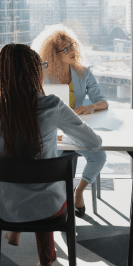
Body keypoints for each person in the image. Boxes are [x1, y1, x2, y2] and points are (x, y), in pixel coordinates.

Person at [0, 43, 102, 266]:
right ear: (34, 72)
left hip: (3, 207)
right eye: (41, 66)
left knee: (24, 183)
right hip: (48, 209)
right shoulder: (52, 104)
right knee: (44, 191)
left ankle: (14, 232)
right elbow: (93, 143)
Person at [33, 24, 108, 218]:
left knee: (99, 157)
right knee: (50, 161)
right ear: (54, 54)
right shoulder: (45, 77)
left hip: (75, 130)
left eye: (72, 46)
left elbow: (102, 102)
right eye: (64, 49)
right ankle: (56, 202)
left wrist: (90, 107)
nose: (71, 51)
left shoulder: (83, 72)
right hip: (52, 132)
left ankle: (79, 191)